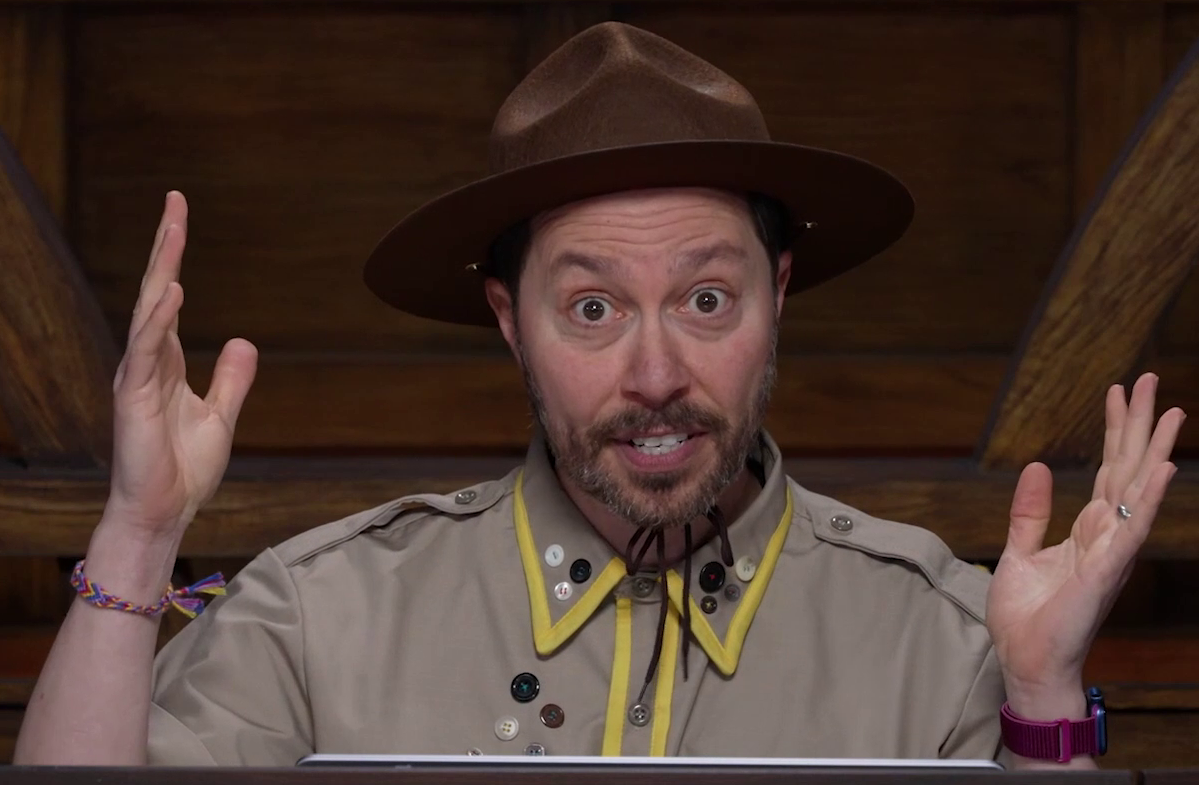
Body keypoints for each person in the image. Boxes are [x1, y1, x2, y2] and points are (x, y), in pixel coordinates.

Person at [14, 22, 1183, 768]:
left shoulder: (941, 632)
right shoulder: (320, 618)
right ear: (504, 319)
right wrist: (139, 529)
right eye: (591, 308)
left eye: (708, 300)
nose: (657, 371)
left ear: (777, 296)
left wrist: (1036, 692)